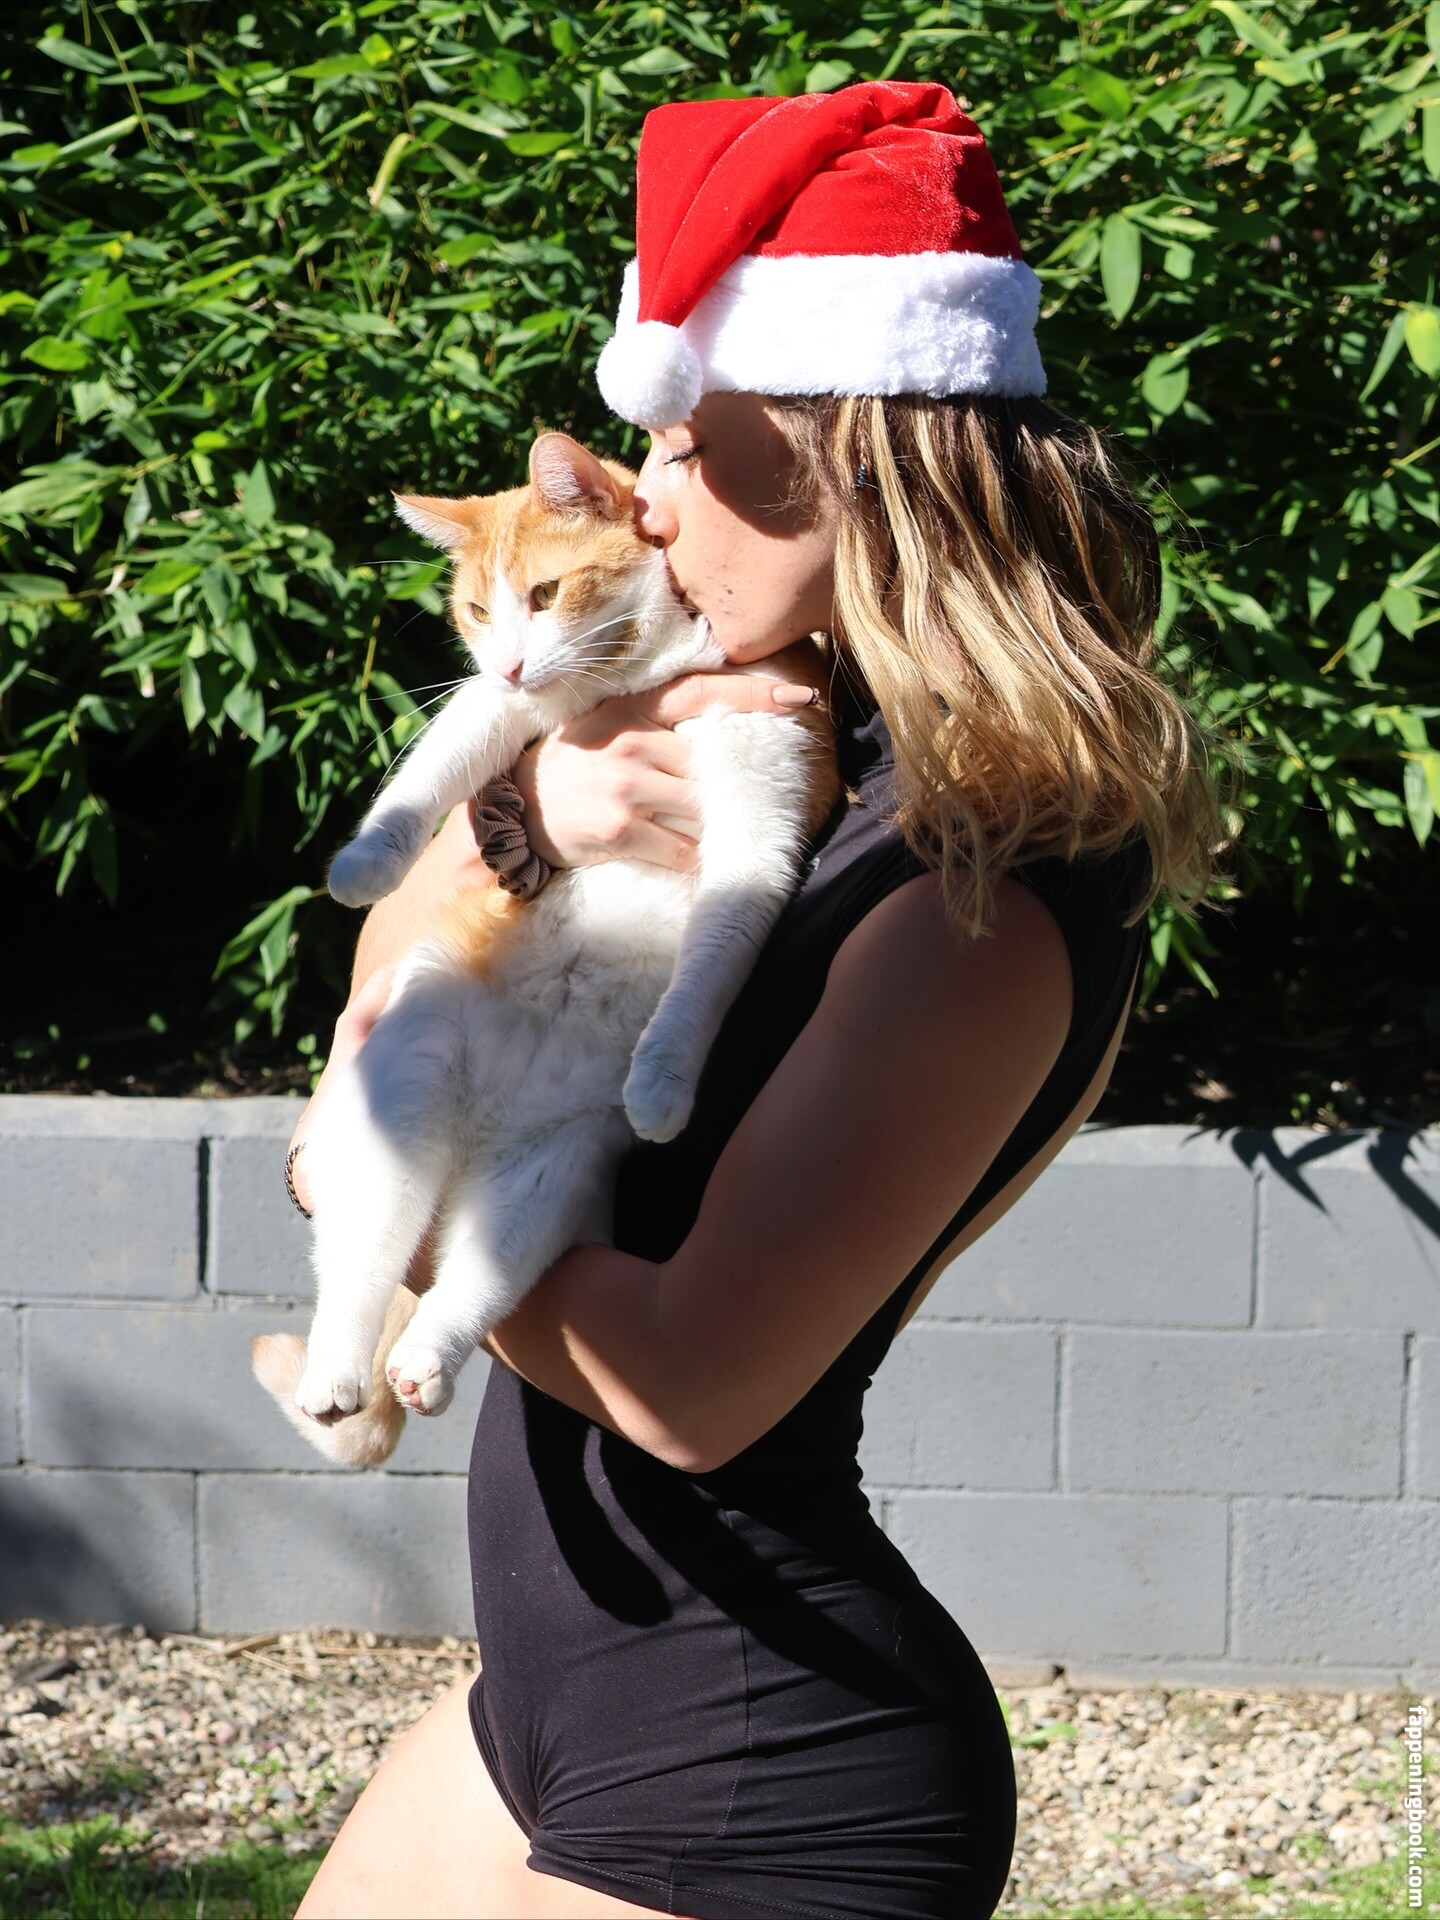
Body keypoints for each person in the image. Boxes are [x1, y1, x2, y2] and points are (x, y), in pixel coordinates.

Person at [292, 82, 1223, 1920]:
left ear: (862, 458)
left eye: (694, 442)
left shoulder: (970, 889)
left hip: (761, 1775)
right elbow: (388, 992)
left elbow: (687, 1385)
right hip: (545, 1711)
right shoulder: (794, 751)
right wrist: (528, 820)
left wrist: (369, 1189)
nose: (648, 495)